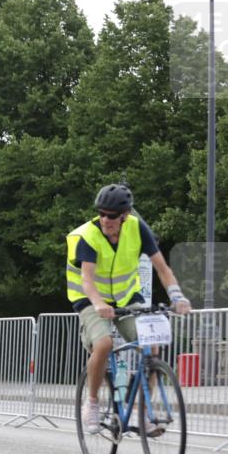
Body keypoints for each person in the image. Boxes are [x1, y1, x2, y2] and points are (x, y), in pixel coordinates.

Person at [66, 184, 192, 434]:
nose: (105, 219)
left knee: (152, 346)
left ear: (125, 215)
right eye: (101, 214)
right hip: (90, 299)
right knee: (104, 344)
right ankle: (91, 402)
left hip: (125, 298)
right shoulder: (88, 236)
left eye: (111, 215)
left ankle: (144, 415)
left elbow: (163, 269)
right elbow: (87, 281)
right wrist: (100, 304)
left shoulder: (137, 228)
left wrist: (178, 297)